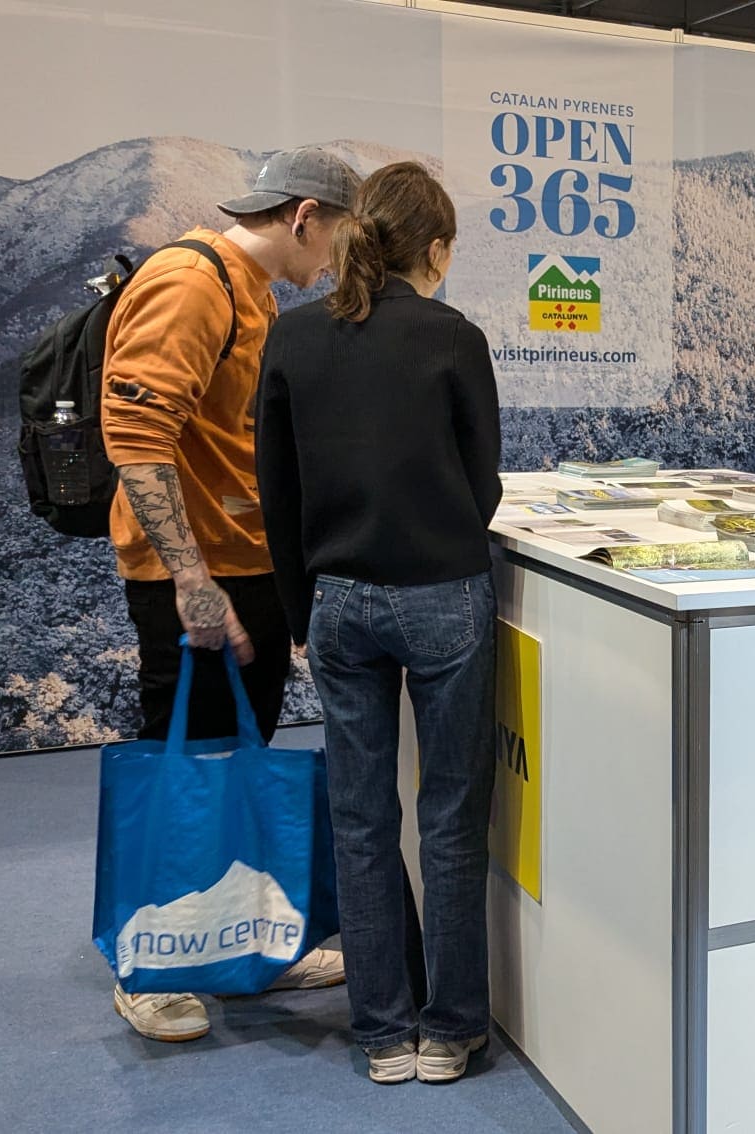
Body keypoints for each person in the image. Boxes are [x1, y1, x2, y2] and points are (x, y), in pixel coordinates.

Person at [100, 146, 360, 1042]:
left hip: (241, 567)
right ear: (304, 216)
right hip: (193, 577)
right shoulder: (192, 281)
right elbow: (135, 434)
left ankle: (239, 942)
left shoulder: (248, 294)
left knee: (237, 758)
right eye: (334, 239)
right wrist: (191, 579)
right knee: (185, 765)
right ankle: (150, 960)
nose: (330, 261)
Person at [256, 162, 502, 1085]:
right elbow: (482, 487)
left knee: (359, 819)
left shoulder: (295, 337)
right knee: (449, 818)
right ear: (434, 249)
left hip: (338, 602)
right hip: (443, 594)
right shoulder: (453, 337)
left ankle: (381, 1034)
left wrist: (296, 609)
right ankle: (451, 1030)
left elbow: (276, 494)